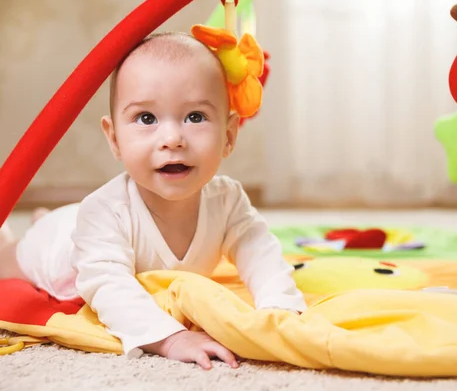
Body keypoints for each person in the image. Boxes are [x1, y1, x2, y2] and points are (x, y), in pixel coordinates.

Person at [0, 32, 306, 370]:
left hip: (84, 226)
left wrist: (280, 306)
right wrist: (169, 337)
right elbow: (109, 286)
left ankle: (45, 217)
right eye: (147, 118)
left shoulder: (227, 199)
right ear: (114, 138)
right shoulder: (104, 212)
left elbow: (259, 252)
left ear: (229, 136)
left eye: (195, 117)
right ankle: (36, 226)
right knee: (8, 258)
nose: (172, 138)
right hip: (59, 252)